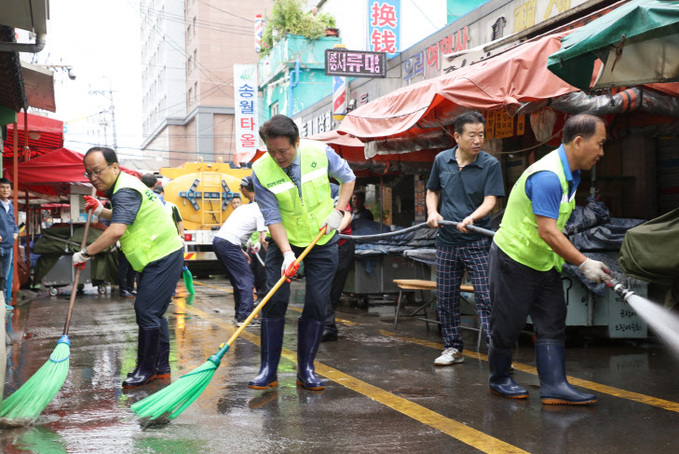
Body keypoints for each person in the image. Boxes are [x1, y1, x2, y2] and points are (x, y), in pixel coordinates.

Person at [488, 114, 609, 405]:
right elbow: (548, 231)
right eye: (600, 144)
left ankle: (554, 385)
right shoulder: (548, 176)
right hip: (514, 259)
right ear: (579, 141)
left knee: (553, 321)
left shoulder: (571, 174)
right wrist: (583, 262)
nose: (602, 152)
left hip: (544, 263)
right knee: (508, 324)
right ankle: (500, 378)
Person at [249, 114, 355, 391]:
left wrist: (338, 210)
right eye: (271, 151)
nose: (277, 157)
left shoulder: (320, 152)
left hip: (322, 238)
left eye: (283, 151)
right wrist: (286, 253)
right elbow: (272, 216)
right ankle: (268, 370)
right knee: (273, 299)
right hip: (286, 240)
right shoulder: (261, 171)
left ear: (297, 142)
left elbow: (348, 178)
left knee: (318, 302)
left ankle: (306, 369)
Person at [73, 147, 184, 388]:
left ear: (115, 167)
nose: (93, 178)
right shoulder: (125, 186)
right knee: (154, 313)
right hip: (156, 256)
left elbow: (117, 230)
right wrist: (101, 210)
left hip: (162, 255)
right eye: (88, 173)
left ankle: (145, 370)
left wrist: (85, 253)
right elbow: (126, 215)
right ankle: (160, 368)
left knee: (145, 311)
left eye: (98, 171)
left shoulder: (124, 190)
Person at [426, 111, 504, 366]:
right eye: (472, 135)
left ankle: (497, 351)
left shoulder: (490, 164)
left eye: (481, 135)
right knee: (446, 297)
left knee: (486, 297)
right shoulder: (441, 160)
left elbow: (490, 200)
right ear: (457, 136)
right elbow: (432, 191)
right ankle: (452, 348)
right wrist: (432, 212)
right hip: (446, 241)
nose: (478, 140)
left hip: (477, 242)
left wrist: (471, 218)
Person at [212, 176, 266, 327]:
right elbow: (263, 238)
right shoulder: (261, 209)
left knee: (239, 280)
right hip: (228, 244)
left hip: (220, 242)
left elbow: (230, 231)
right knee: (246, 279)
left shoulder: (244, 208)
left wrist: (240, 251)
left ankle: (239, 316)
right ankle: (244, 317)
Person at [322, 184, 353, 342]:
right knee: (321, 286)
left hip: (340, 246)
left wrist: (336, 231)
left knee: (331, 289)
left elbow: (347, 215)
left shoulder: (335, 189)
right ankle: (324, 325)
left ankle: (328, 327)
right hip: (320, 246)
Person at [0, 178, 19, 308]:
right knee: (0, 275)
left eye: (7, 187)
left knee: (5, 277)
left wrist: (16, 233)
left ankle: (4, 303)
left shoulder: (10, 205)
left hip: (9, 245)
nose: (5, 190)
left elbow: (12, 223)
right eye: (2, 187)